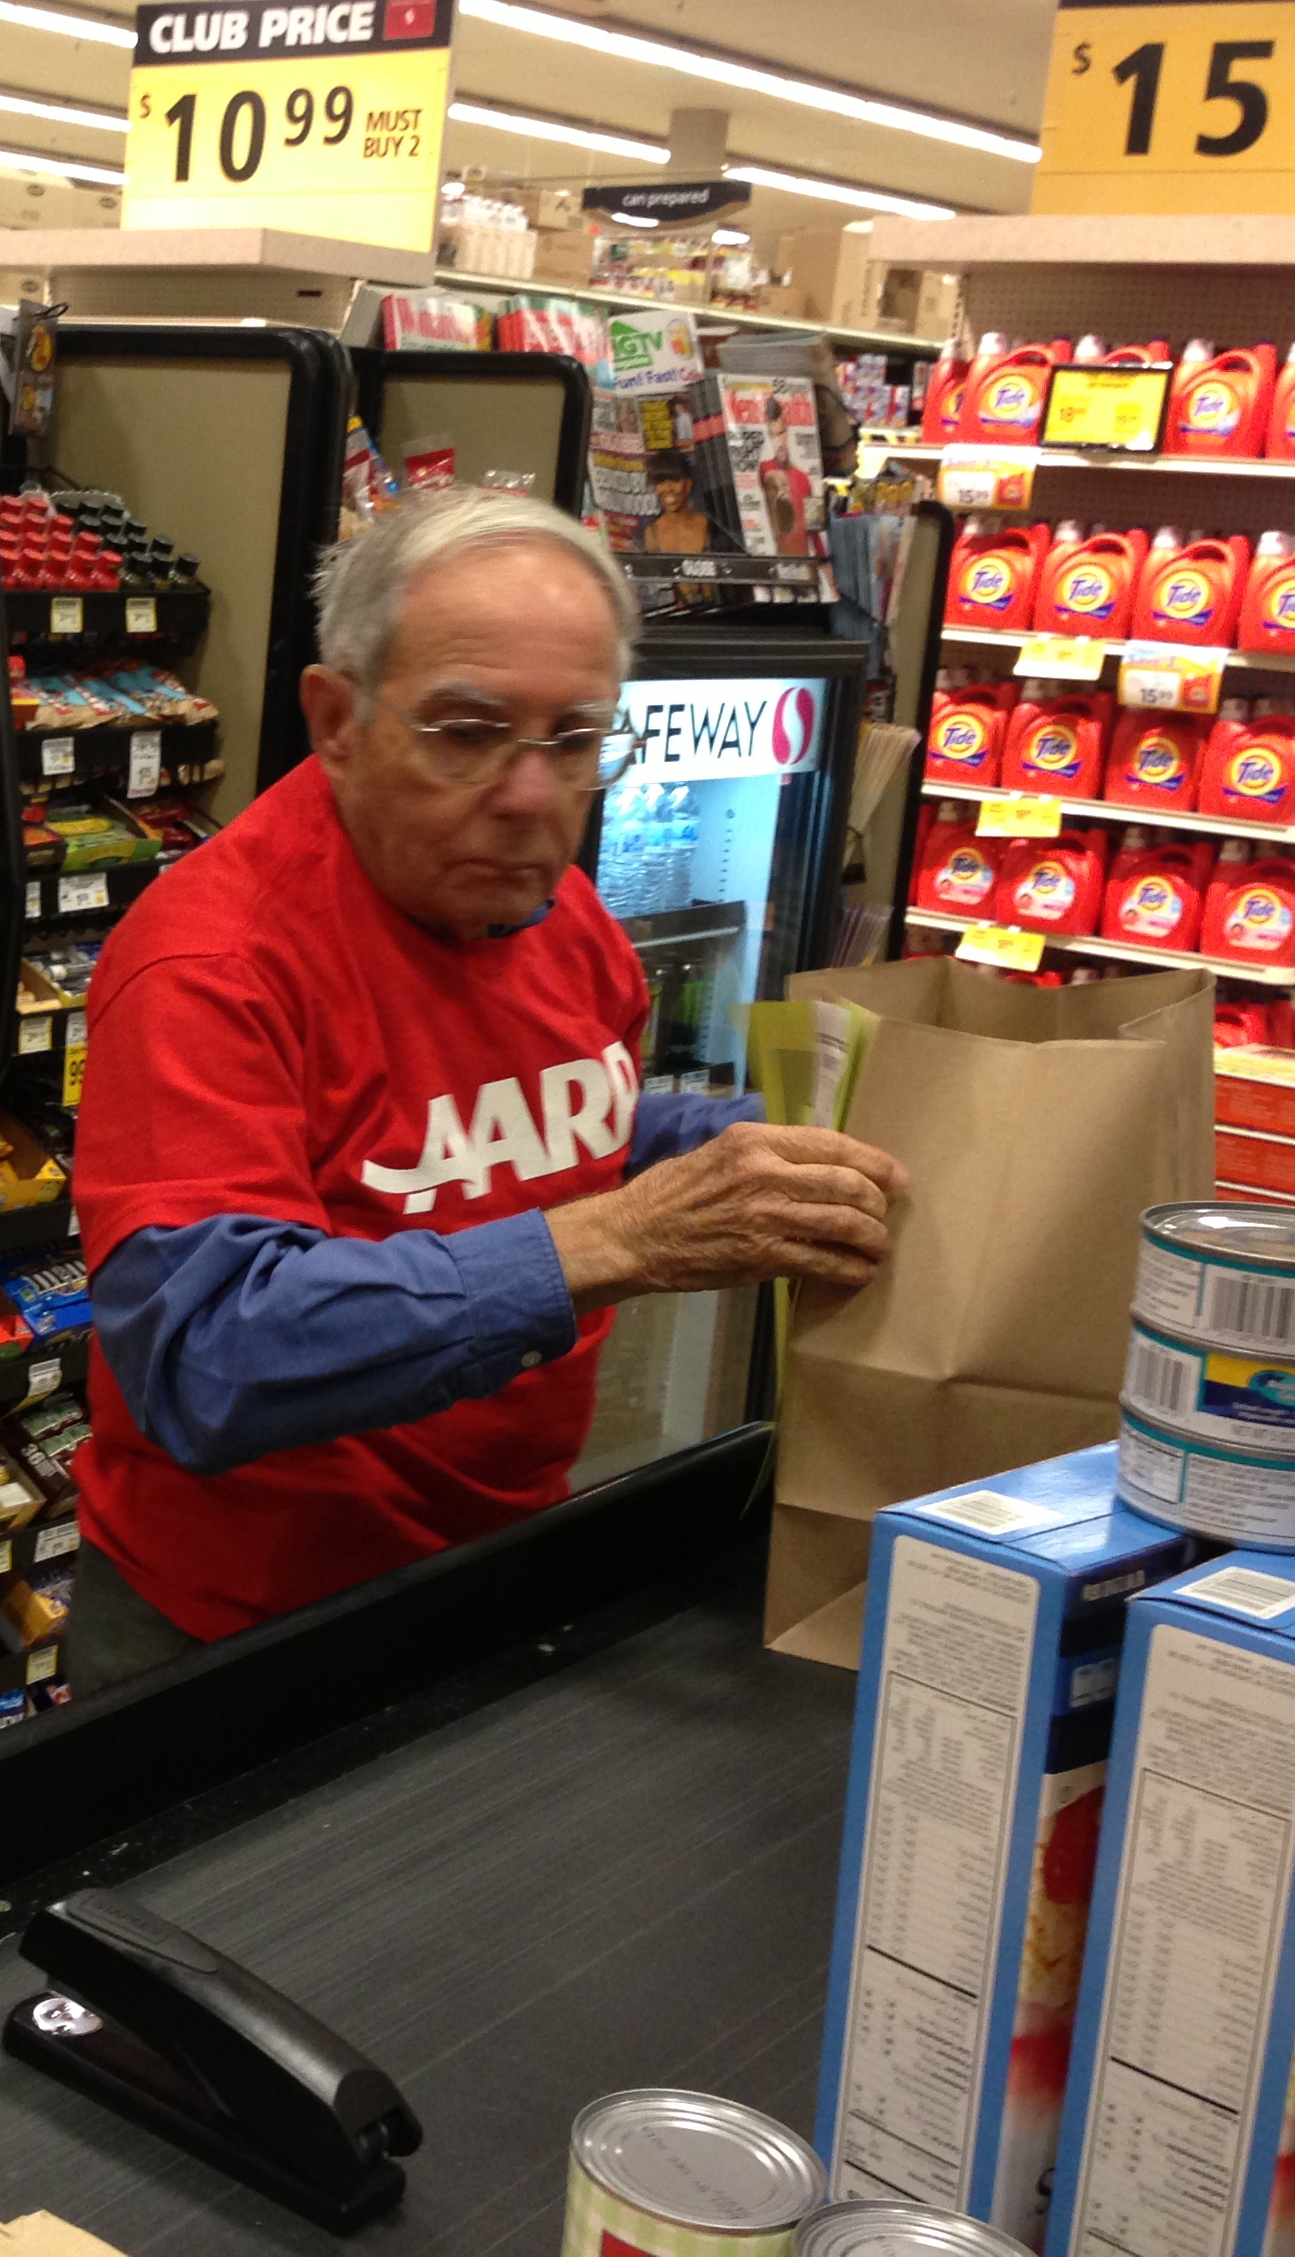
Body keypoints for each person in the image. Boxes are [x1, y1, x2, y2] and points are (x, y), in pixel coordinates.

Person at [68, 489, 906, 1687]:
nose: (529, 796)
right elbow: (205, 1356)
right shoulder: (212, 966)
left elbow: (540, 1127)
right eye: (465, 731)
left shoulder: (547, 906)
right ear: (337, 718)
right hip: (236, 1638)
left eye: (574, 739)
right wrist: (615, 1240)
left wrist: (737, 1146)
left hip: (503, 1569)